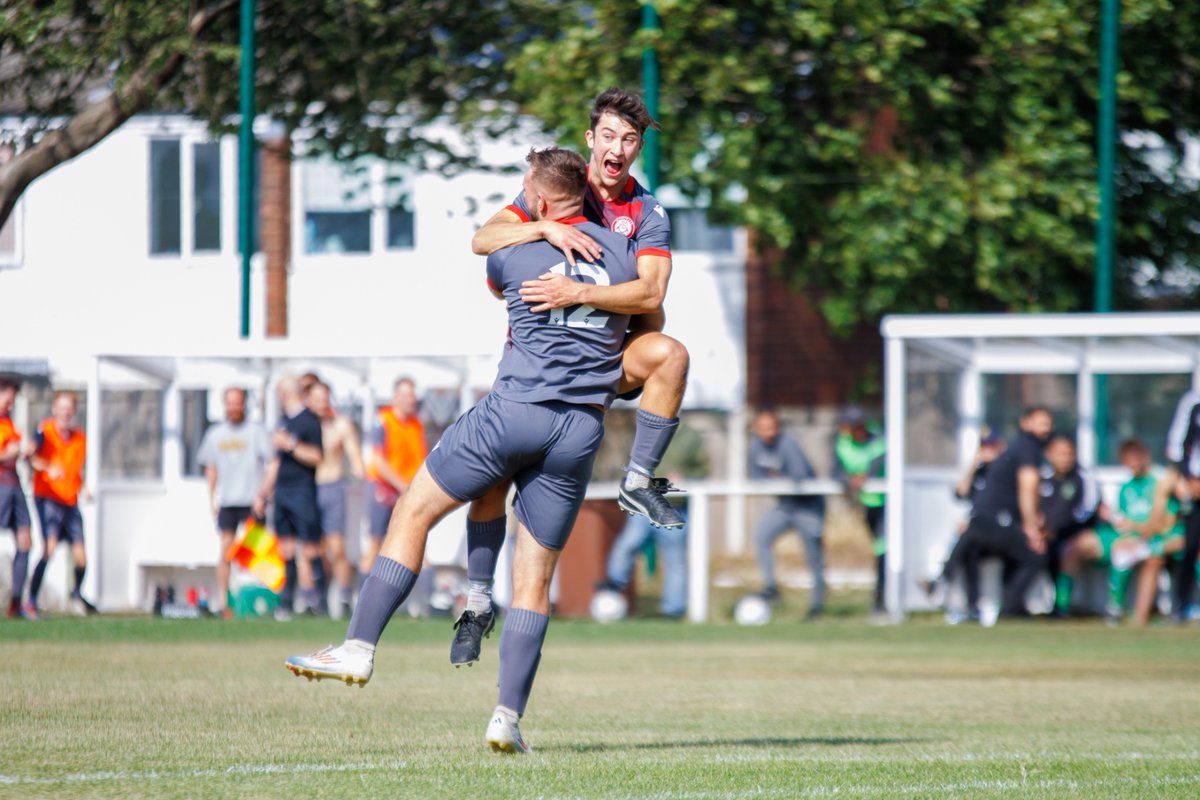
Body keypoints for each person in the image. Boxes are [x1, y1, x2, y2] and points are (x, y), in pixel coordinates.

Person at [286, 147, 641, 755]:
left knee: (414, 512)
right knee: (534, 580)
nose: (522, 196)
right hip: (581, 428)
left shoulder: (515, 248)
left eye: (529, 189)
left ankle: (358, 648)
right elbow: (640, 309)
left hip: (517, 409)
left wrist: (536, 227)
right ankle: (506, 717)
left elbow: (485, 245)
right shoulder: (624, 254)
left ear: (543, 198)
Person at [470, 87, 689, 531]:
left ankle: (638, 480)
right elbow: (483, 240)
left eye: (628, 140)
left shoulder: (646, 211)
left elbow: (651, 295)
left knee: (671, 352)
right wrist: (545, 226)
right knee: (493, 486)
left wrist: (579, 292)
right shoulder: (562, 188)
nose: (617, 148)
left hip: (606, 356)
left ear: (638, 148)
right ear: (591, 139)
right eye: (609, 136)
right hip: (541, 354)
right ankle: (477, 593)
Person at [596, 419, 709, 619]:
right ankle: (613, 585)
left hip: (673, 508)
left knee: (674, 560)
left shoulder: (692, 437)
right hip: (645, 506)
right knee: (627, 544)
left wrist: (685, 477)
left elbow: (703, 471)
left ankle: (673, 611)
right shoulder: (646, 431)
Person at [951, 406, 1053, 623]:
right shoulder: (1028, 447)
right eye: (1041, 422)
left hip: (992, 523)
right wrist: (1031, 527)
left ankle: (1008, 608)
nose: (1046, 428)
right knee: (1034, 556)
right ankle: (1008, 609)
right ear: (1025, 423)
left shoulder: (1021, 448)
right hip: (994, 522)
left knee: (1016, 555)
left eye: (1048, 423)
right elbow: (1028, 486)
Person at [1088, 438, 1191, 626]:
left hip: (1166, 538)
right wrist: (1119, 523)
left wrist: (1138, 529)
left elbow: (1167, 522)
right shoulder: (1126, 488)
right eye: (1127, 460)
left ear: (1146, 457)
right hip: (1142, 538)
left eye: (1135, 459)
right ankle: (1116, 609)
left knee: (1153, 557)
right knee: (1121, 552)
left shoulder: (1161, 482)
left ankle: (1145, 616)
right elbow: (1124, 521)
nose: (1132, 464)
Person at [196, 386, 272, 617]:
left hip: (252, 500)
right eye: (230, 402)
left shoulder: (256, 432)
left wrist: (263, 495)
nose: (234, 407)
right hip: (228, 500)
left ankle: (260, 603)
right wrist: (211, 498)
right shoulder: (215, 435)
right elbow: (211, 469)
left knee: (257, 553)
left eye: (237, 402)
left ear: (244, 403)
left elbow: (270, 465)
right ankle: (223, 601)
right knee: (226, 552)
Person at [254, 376, 324, 617]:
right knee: (286, 548)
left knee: (310, 548)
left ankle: (319, 602)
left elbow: (316, 456)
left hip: (302, 491)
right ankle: (286, 603)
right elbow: (275, 463)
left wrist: (291, 444)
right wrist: (263, 494)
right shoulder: (283, 422)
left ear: (285, 393)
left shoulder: (309, 420)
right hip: (282, 492)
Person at [747, 409, 826, 619]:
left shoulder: (788, 444)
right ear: (756, 429)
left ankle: (817, 606)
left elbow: (799, 476)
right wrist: (778, 478)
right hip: (785, 505)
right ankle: (771, 588)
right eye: (763, 428)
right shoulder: (755, 446)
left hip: (808, 507)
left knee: (814, 557)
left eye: (771, 427)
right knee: (762, 536)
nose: (768, 432)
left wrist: (775, 478)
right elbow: (755, 476)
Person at [922, 428, 1006, 622]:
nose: (988, 451)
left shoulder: (1005, 474)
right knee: (970, 551)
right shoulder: (979, 473)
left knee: (970, 536)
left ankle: (941, 581)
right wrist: (973, 464)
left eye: (991, 447)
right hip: (978, 534)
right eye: (984, 447)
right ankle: (972, 608)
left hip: (1000, 533)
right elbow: (960, 492)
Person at [27, 391, 94, 615]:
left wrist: (83, 487)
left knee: (81, 558)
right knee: (49, 548)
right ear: (54, 409)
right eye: (61, 407)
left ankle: (76, 593)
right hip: (48, 498)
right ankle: (31, 600)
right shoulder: (45, 431)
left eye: (69, 408)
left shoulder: (79, 439)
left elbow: (74, 472)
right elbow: (31, 457)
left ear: (74, 411)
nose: (65, 412)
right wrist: (48, 467)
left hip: (70, 501)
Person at [307, 379, 366, 617]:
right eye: (317, 398)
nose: (322, 403)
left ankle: (343, 596)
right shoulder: (303, 425)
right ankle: (315, 597)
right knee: (313, 549)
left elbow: (355, 455)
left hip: (333, 486)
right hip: (309, 488)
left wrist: (358, 468)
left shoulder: (340, 425)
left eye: (325, 397)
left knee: (337, 546)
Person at [362, 377, 427, 580]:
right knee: (375, 544)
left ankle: (428, 602)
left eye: (413, 394)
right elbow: (379, 461)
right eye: (406, 394)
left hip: (408, 493)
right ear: (396, 397)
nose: (411, 399)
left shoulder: (416, 424)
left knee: (416, 543)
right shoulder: (384, 420)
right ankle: (358, 600)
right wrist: (403, 486)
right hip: (385, 490)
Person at [1039, 436, 1106, 619]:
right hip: (1050, 534)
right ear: (1049, 455)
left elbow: (1086, 510)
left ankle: (1061, 606)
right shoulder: (1044, 478)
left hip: (1080, 533)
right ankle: (1013, 607)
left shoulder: (1084, 477)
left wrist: (1057, 528)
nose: (1066, 458)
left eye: (1069, 453)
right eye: (1061, 454)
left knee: (1071, 549)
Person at [833, 405, 887, 614]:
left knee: (885, 550)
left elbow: (876, 465)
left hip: (887, 505)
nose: (858, 429)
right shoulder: (842, 444)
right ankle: (879, 599)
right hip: (869, 505)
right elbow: (836, 472)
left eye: (860, 425)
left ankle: (881, 599)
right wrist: (848, 481)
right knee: (880, 550)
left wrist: (862, 477)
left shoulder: (878, 440)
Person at [1163, 390, 1200, 621]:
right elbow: (1176, 445)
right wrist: (1188, 478)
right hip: (1194, 490)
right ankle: (1181, 606)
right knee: (1190, 547)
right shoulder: (1193, 401)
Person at [0, 377, 34, 618]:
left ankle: (16, 602)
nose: (10, 405)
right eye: (8, 399)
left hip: (15, 485)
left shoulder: (8, 422)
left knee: (25, 541)